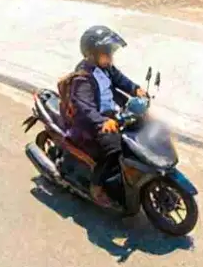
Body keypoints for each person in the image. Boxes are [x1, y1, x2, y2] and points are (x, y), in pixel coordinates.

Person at [63, 25, 147, 208]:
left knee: (141, 123)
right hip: (91, 123)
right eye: (106, 53)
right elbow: (85, 108)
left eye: (110, 53)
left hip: (111, 113)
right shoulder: (82, 78)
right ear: (91, 54)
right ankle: (97, 186)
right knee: (113, 149)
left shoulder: (106, 67)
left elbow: (119, 79)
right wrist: (103, 121)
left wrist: (135, 89)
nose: (110, 57)